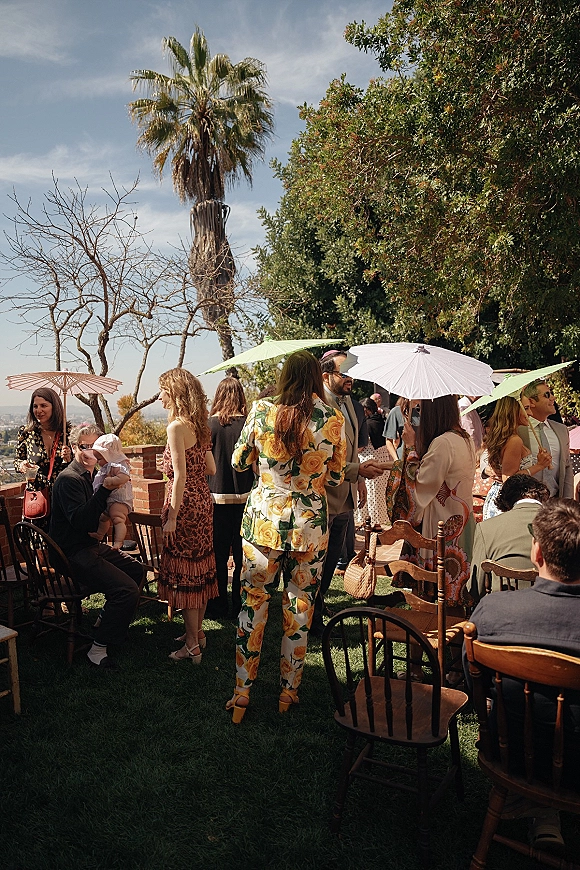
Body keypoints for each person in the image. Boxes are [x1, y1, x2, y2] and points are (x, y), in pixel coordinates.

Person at [226, 350, 347, 722]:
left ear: (284, 377)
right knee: (299, 608)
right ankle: (287, 691)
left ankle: (243, 693)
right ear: (315, 377)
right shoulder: (332, 419)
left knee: (253, 604)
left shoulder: (261, 411)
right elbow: (338, 476)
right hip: (310, 527)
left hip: (263, 523)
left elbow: (237, 462)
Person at [466, 499, 580, 851]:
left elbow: (475, 686)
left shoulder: (495, 611)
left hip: (511, 752)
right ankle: (545, 813)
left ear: (537, 552)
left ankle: (536, 807)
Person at [50, 424, 143, 669]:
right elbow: (81, 521)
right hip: (71, 553)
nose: (90, 452)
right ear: (73, 448)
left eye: (94, 446)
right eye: (84, 446)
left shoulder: (93, 475)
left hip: (88, 546)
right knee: (126, 590)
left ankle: (107, 620)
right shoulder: (69, 479)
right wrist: (105, 490)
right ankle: (97, 649)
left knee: (137, 571)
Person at [310, 350, 386, 637]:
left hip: (346, 495)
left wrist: (360, 482)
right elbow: (321, 454)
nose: (351, 379)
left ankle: (318, 605)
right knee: (316, 561)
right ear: (325, 375)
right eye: (345, 373)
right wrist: (358, 472)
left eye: (353, 373)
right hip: (323, 497)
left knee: (330, 561)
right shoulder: (316, 407)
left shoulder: (352, 405)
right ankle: (312, 615)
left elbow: (351, 449)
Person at [158, 368, 218, 664]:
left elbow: (180, 476)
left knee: (186, 574)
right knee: (200, 568)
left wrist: (171, 515)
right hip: (203, 501)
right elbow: (211, 469)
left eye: (163, 391)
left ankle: (192, 645)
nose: (160, 396)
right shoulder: (199, 423)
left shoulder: (175, 427)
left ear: (175, 393)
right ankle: (199, 634)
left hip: (183, 506)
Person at [395, 395, 476, 606]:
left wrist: (411, 448)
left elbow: (421, 485)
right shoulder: (464, 438)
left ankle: (436, 629)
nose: (419, 414)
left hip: (442, 523)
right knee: (456, 590)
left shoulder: (443, 443)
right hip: (461, 521)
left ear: (433, 410)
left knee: (439, 593)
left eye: (422, 409)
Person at [206, 376, 255, 618]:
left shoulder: (210, 425)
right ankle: (239, 604)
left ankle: (216, 605)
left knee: (218, 555)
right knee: (241, 557)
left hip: (216, 499)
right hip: (245, 499)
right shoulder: (248, 424)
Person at [469, 474, 550, 600]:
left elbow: (475, 589)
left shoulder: (486, 528)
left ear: (505, 504)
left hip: (501, 612)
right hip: (553, 613)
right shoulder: (565, 525)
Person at [482, 395, 551, 520]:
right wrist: (539, 466)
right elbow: (509, 479)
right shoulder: (515, 441)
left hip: (500, 497)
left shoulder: (509, 437)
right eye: (526, 408)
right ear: (513, 411)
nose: (530, 413)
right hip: (507, 502)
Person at [15, 388, 72, 527]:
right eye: (35, 406)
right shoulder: (27, 433)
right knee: (37, 543)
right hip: (37, 497)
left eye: (44, 405)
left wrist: (70, 458)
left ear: (54, 407)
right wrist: (22, 465)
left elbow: (79, 466)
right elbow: (17, 460)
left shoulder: (66, 433)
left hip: (62, 496)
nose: (39, 410)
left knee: (61, 543)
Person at [518, 380, 574, 498]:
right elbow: (488, 456)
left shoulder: (561, 430)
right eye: (547, 395)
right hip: (525, 501)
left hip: (555, 502)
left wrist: (568, 501)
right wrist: (487, 470)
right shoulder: (518, 429)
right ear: (532, 402)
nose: (553, 398)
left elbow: (567, 466)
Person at [90, 434, 133, 548]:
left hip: (119, 499)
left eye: (99, 459)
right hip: (110, 499)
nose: (98, 462)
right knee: (103, 518)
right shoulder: (107, 466)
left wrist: (112, 480)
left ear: (109, 454)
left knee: (118, 518)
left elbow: (124, 477)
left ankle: (119, 541)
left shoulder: (119, 464)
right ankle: (100, 534)